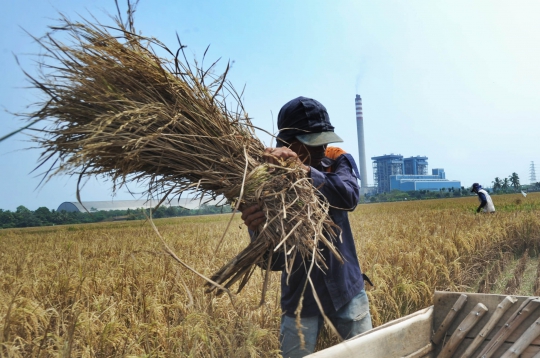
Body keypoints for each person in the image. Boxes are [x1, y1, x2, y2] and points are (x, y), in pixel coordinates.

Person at [240, 97, 373, 357]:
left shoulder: (335, 159)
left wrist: (302, 171)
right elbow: (273, 261)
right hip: (300, 300)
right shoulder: (265, 182)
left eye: (324, 140)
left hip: (347, 291)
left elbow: (348, 197)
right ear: (290, 144)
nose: (323, 148)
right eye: (314, 143)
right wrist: (258, 229)